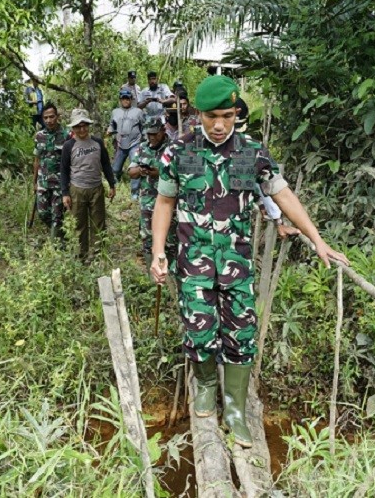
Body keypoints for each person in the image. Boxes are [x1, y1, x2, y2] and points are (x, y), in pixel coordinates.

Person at [149, 76, 349, 448]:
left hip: (236, 266)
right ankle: (206, 385)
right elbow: (165, 202)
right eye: (212, 117)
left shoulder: (252, 152)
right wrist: (158, 251)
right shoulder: (178, 151)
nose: (221, 125)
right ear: (198, 114)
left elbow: (282, 193)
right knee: (199, 330)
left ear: (236, 113)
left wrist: (317, 239)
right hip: (193, 264)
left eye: (228, 116)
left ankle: (237, 408)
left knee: (241, 334)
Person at [61, 109, 116, 259]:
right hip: (77, 189)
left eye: (85, 125)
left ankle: (99, 254)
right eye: (78, 126)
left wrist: (112, 184)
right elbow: (64, 170)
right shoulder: (69, 146)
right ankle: (81, 255)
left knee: (99, 222)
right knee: (79, 223)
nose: (82, 129)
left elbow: (105, 164)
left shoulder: (97, 142)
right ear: (73, 128)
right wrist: (65, 193)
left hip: (96, 188)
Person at [128, 117, 177, 269]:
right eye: (149, 134)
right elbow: (131, 171)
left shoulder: (173, 148)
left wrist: (160, 173)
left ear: (163, 130)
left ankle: (170, 274)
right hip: (148, 202)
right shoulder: (142, 148)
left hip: (169, 202)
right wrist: (141, 170)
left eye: (155, 134)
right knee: (147, 237)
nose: (152, 137)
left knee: (171, 238)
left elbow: (179, 173)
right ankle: (152, 274)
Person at [33, 102, 69, 240]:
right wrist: (34, 182)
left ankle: (56, 246)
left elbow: (70, 162)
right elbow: (37, 160)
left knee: (57, 216)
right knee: (42, 213)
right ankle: (61, 234)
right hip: (43, 182)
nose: (49, 120)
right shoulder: (39, 136)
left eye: (51, 117)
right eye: (46, 117)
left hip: (59, 184)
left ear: (57, 117)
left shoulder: (66, 135)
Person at [107, 89, 145, 200]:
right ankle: (116, 185)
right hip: (120, 143)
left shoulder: (138, 111)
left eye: (127, 98)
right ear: (120, 99)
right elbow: (112, 125)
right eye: (123, 98)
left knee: (135, 168)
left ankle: (135, 192)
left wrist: (144, 142)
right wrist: (110, 130)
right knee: (115, 168)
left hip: (135, 143)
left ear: (131, 99)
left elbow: (144, 126)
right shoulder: (115, 112)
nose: (125, 100)